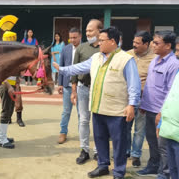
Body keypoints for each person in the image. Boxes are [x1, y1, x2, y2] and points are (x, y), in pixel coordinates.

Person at [53, 26, 141, 179]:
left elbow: (134, 85)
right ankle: (103, 166)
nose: (99, 43)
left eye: (102, 40)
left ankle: (119, 171)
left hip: (117, 111)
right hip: (98, 108)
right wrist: (61, 69)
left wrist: (132, 105)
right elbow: (78, 68)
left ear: (112, 41)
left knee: (119, 144)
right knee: (100, 140)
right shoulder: (96, 58)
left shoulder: (126, 59)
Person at [137, 30, 179, 178]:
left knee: (164, 146)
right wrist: (144, 103)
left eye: (156, 43)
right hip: (149, 108)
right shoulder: (155, 59)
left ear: (168, 45)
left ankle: (164, 173)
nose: (153, 45)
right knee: (151, 141)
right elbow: (150, 84)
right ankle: (153, 166)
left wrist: (161, 114)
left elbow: (171, 92)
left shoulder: (173, 65)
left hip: (161, 113)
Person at [70, 19, 101, 164]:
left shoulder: (105, 48)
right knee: (83, 120)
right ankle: (84, 150)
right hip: (83, 88)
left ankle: (98, 151)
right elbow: (75, 71)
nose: (88, 33)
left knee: (98, 121)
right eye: (87, 31)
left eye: (90, 30)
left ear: (99, 31)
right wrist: (73, 91)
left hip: (99, 90)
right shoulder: (81, 48)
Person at [126, 31, 155, 167]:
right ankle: (126, 151)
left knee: (139, 129)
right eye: (133, 42)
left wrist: (146, 101)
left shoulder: (154, 58)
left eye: (137, 43)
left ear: (146, 44)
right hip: (127, 99)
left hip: (144, 99)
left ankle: (136, 155)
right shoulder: (127, 54)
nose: (134, 45)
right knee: (125, 127)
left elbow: (153, 82)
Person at [57, 28, 81, 144]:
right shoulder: (65, 49)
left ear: (80, 37)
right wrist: (60, 83)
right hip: (67, 85)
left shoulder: (84, 49)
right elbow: (61, 66)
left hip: (81, 85)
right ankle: (63, 132)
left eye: (75, 37)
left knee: (81, 112)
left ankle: (82, 133)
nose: (72, 40)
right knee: (66, 111)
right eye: (71, 37)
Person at [158, 71, 179, 179]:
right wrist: (161, 122)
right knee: (173, 169)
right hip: (170, 130)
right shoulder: (178, 73)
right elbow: (170, 98)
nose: (176, 53)